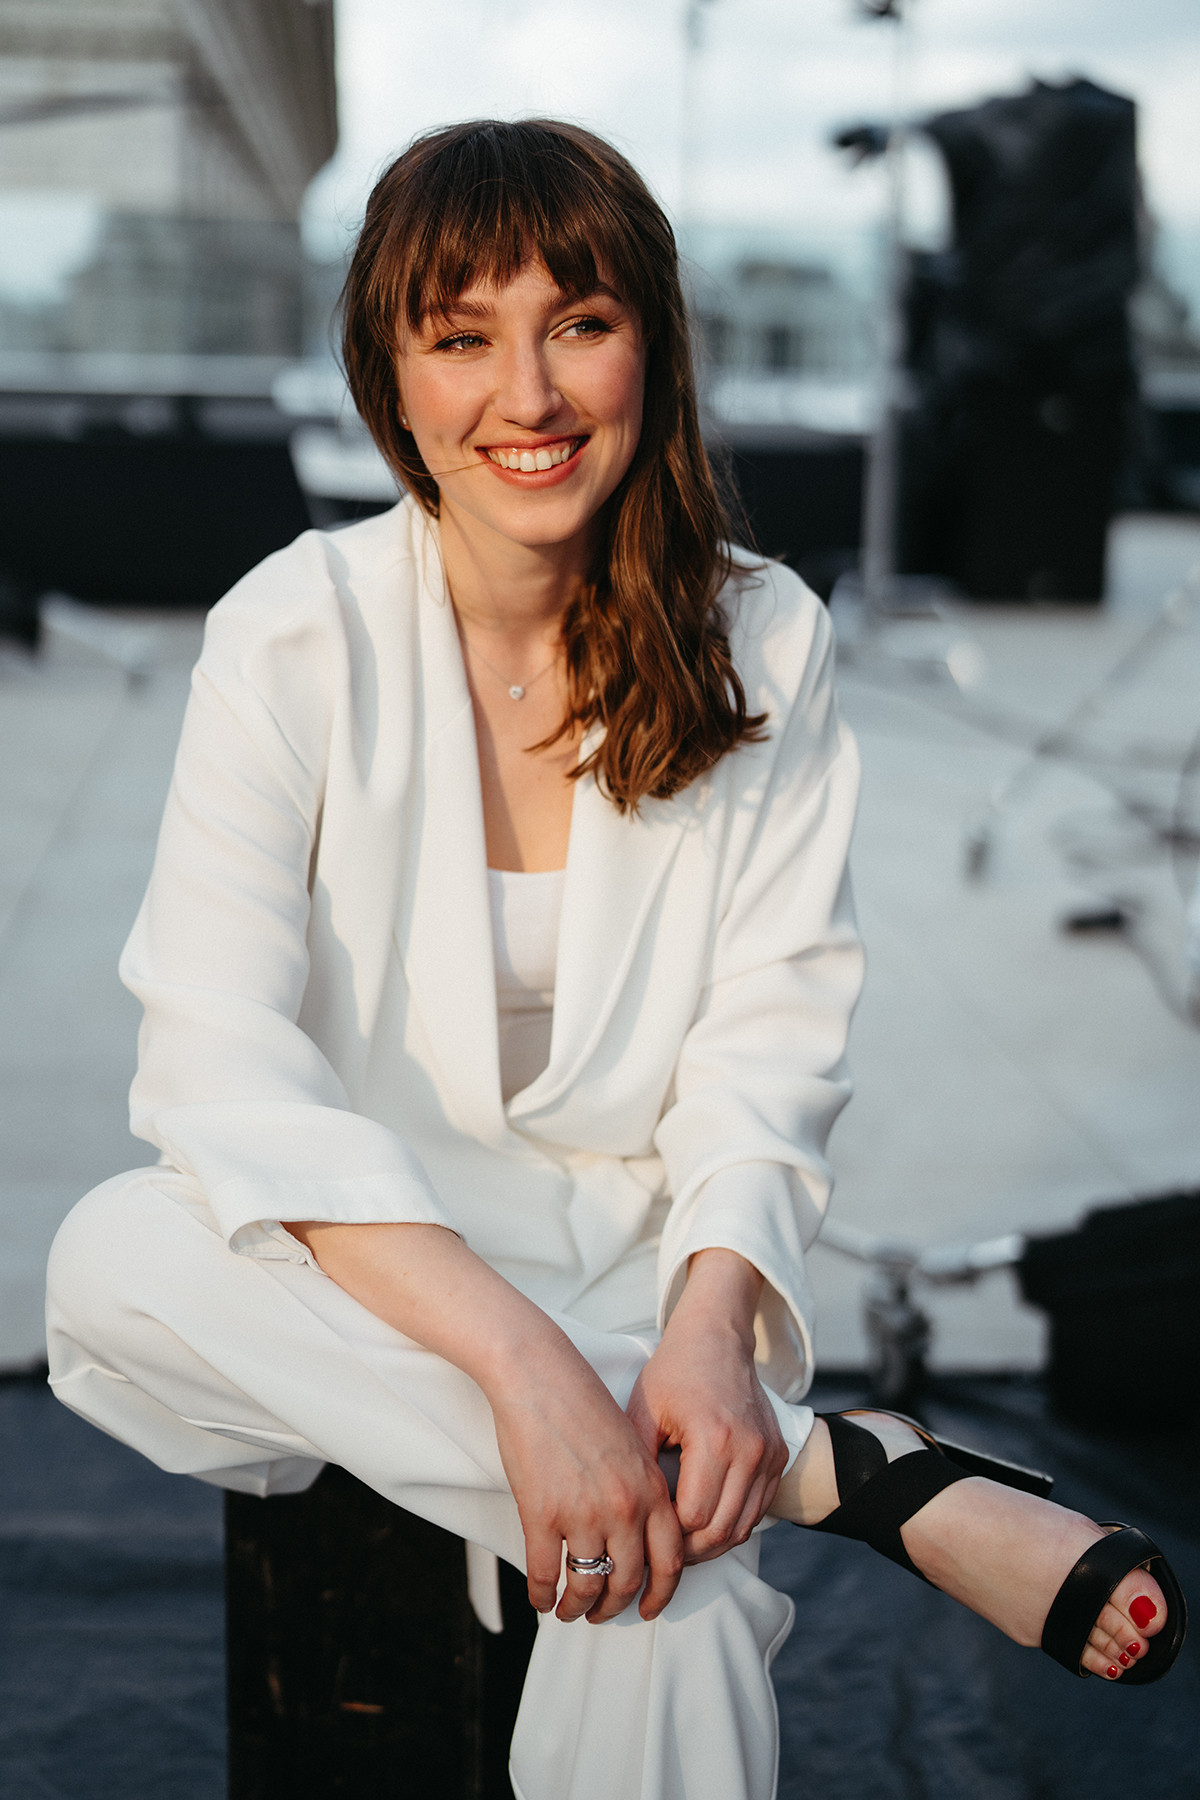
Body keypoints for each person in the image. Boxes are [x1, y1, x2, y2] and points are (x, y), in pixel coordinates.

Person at [45, 120, 1182, 1800]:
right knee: (109, 1264)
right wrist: (518, 1370)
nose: (529, 394)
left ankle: (705, 1444)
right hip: (373, 1271)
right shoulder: (289, 632)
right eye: (461, 338)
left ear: (652, 338)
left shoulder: (763, 635)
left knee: (665, 1596)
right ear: (388, 381)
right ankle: (828, 1473)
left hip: (643, 1279)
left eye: (578, 322)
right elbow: (217, 1062)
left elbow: (770, 1044)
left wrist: (710, 1326)